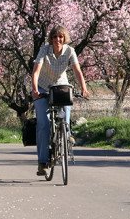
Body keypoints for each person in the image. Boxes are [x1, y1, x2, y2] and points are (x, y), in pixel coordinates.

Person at [31, 25, 89, 176]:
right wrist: (35, 89)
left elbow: (77, 70)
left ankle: (66, 135)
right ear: (51, 39)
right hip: (43, 88)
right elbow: (36, 71)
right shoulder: (44, 50)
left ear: (64, 39)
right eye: (55, 37)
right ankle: (42, 162)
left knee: (66, 118)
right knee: (43, 123)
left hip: (62, 87)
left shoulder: (70, 51)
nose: (58, 39)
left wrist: (83, 88)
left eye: (61, 37)